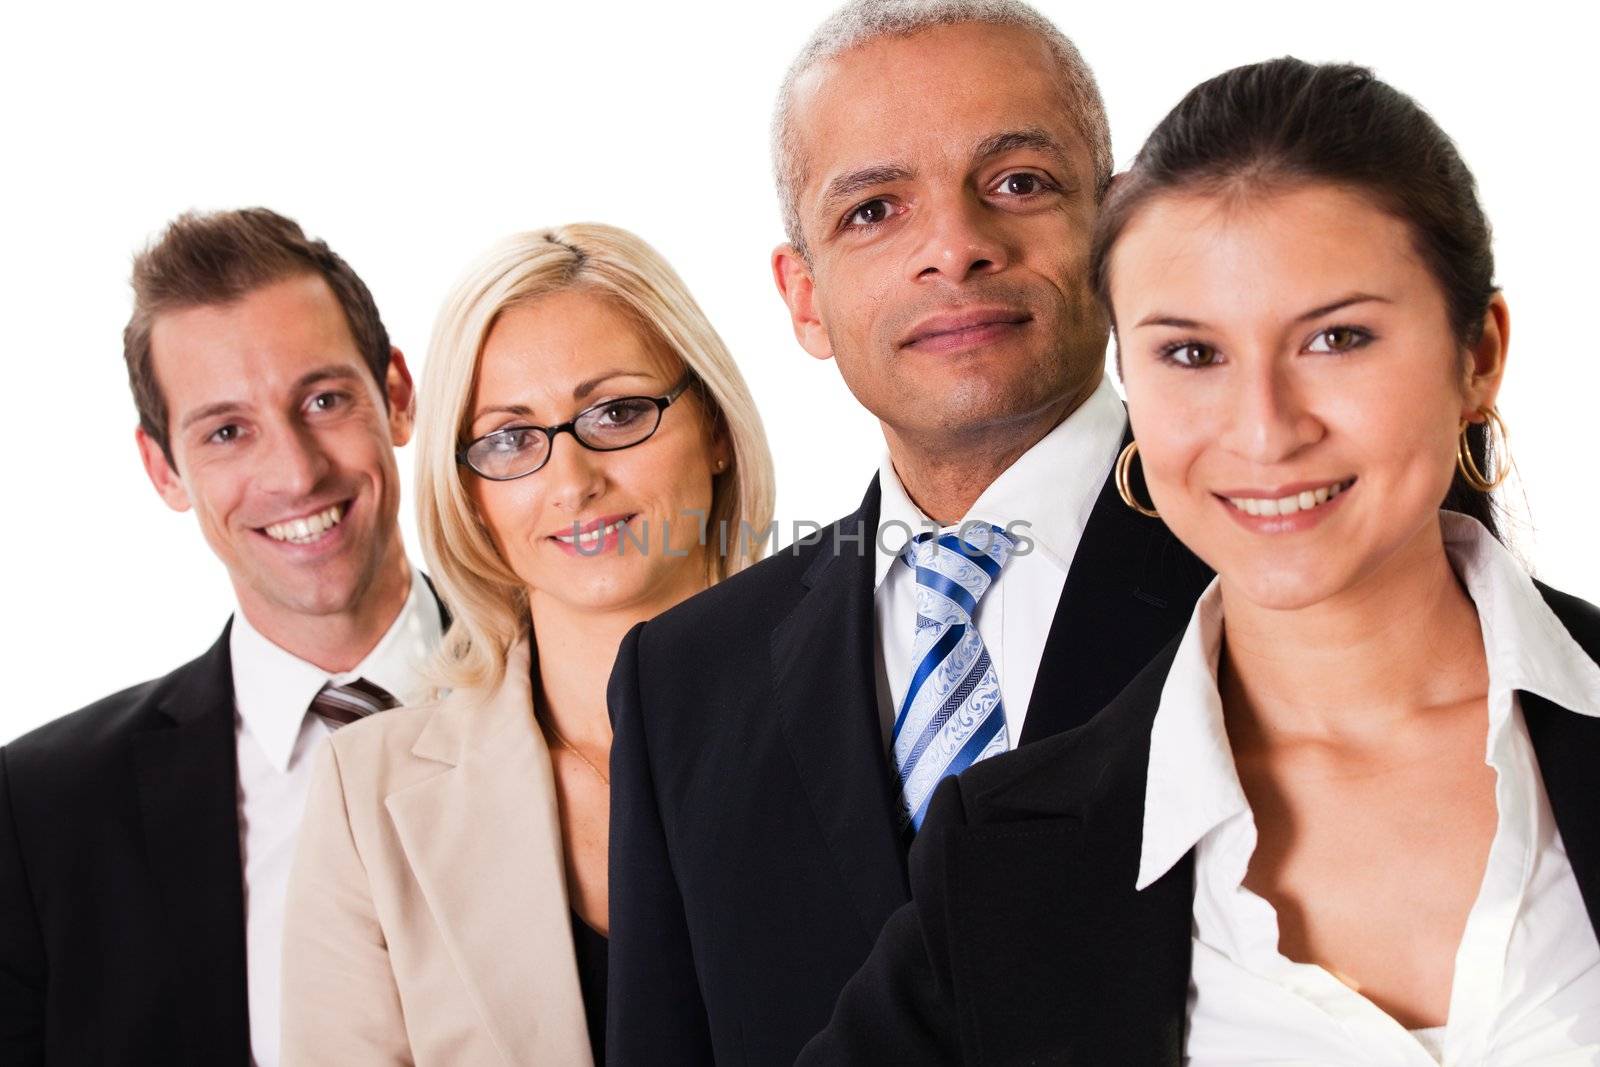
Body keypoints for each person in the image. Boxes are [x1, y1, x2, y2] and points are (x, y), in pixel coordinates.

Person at [802, 57, 1600, 1065]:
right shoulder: (1008, 852)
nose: (1262, 430)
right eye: (1190, 354)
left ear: (1476, 353)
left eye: (1337, 337)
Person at [605, 1, 1211, 1062]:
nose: (956, 247)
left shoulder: (1274, 578)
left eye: (1017, 182)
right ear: (803, 297)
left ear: (1120, 233)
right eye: (875, 209)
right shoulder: (682, 681)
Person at [279, 223, 774, 1065]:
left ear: (718, 429)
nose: (574, 481)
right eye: (510, 439)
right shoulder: (369, 795)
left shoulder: (869, 697)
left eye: (618, 412)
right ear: (469, 492)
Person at [0, 208, 444, 1065]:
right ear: (163, 467)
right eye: (227, 431)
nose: (295, 471)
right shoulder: (37, 816)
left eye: (322, 399)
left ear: (394, 394)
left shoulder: (590, 709)